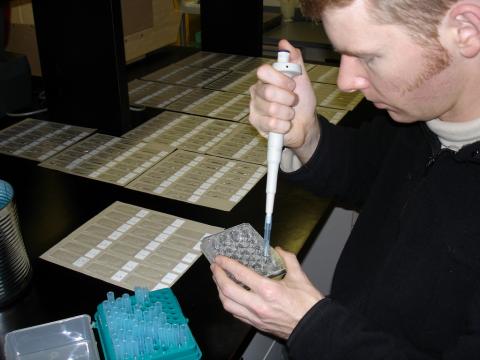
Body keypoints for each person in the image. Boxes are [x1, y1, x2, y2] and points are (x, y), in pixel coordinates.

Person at [210, 0, 480, 358]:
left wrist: (310, 326)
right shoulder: (422, 114)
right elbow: (369, 170)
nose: (346, 82)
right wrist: (306, 135)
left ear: (466, 30)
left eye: (368, 57)